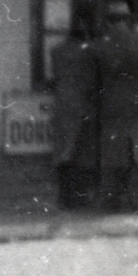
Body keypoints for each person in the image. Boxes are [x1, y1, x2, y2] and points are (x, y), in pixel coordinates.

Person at [96, 0, 138, 212]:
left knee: (112, 156)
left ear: (108, 20)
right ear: (129, 19)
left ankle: (111, 203)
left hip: (111, 105)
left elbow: (93, 81)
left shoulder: (100, 44)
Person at [50, 14, 99, 210]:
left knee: (63, 150)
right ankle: (80, 197)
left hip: (62, 102)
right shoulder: (89, 51)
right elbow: (92, 81)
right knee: (82, 152)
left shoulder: (57, 50)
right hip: (83, 103)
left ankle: (64, 197)